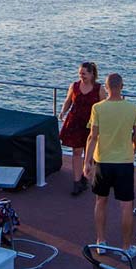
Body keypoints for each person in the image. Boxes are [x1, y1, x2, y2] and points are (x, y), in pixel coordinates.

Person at [86, 73, 136, 258]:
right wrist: (132, 148)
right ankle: (126, 248)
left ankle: (101, 242)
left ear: (106, 86)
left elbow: (93, 137)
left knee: (100, 201)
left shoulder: (98, 108)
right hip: (124, 162)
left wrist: (87, 161)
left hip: (103, 161)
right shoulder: (132, 108)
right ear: (122, 86)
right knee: (126, 206)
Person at [58, 62, 102, 196]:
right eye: (80, 74)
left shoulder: (99, 89)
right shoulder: (75, 86)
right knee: (77, 152)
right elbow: (68, 101)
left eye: (84, 74)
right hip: (75, 122)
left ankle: (85, 176)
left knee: (90, 154)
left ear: (91, 74)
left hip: (91, 124)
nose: (81, 76)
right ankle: (77, 182)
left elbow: (104, 106)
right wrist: (62, 112)